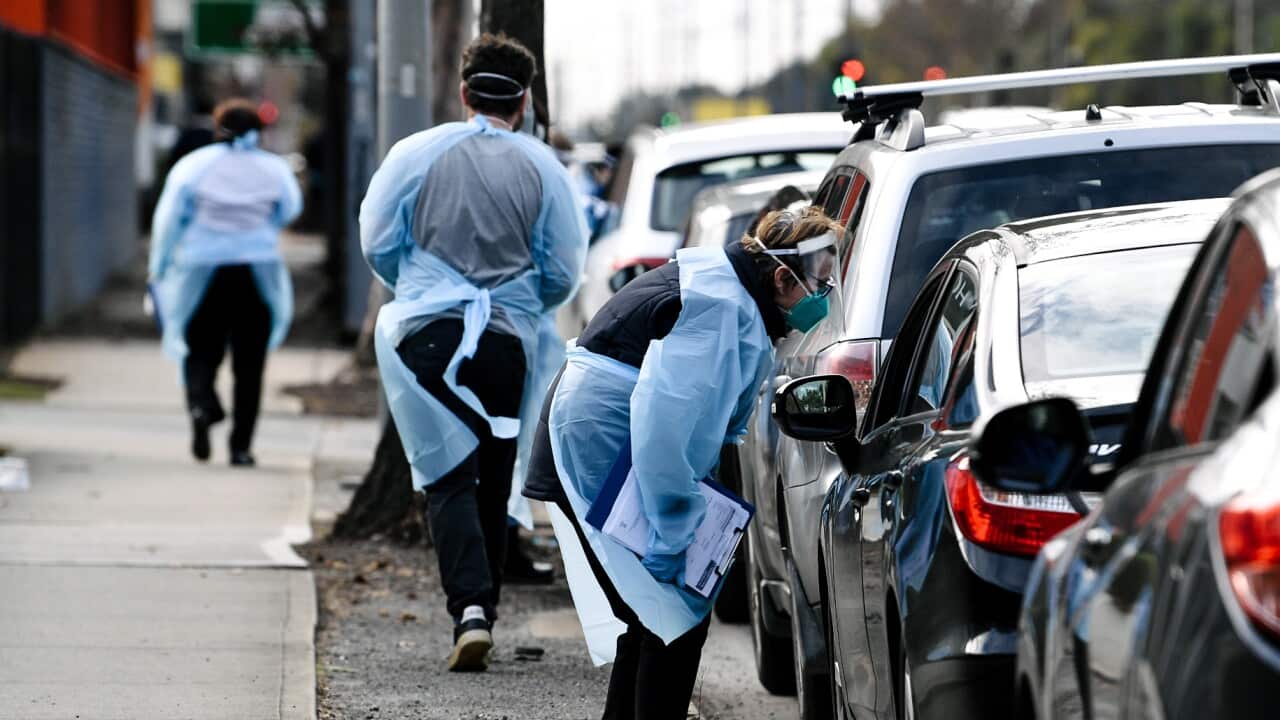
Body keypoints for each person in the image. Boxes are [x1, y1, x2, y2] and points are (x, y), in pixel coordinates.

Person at [523, 206, 844, 718]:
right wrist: (670, 537)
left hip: (601, 436)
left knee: (652, 616)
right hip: (601, 443)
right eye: (819, 285)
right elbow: (665, 433)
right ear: (782, 278)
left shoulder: (727, 293)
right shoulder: (720, 312)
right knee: (670, 619)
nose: (822, 299)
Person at [358, 33, 587, 672]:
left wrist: (421, 282)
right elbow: (563, 269)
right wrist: (521, 299)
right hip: (506, 339)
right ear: (525, 101)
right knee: (495, 467)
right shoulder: (543, 167)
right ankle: (484, 605)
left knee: (445, 474)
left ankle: (469, 611)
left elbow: (377, 239)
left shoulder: (415, 154)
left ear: (464, 92)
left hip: (426, 333)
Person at [149, 98, 301, 466]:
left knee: (200, 348)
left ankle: (201, 404)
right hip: (257, 272)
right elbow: (290, 209)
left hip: (202, 271)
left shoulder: (193, 166)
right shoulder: (274, 168)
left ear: (218, 128)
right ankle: (241, 447)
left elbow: (169, 220)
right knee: (250, 364)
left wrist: (160, 266)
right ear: (259, 132)